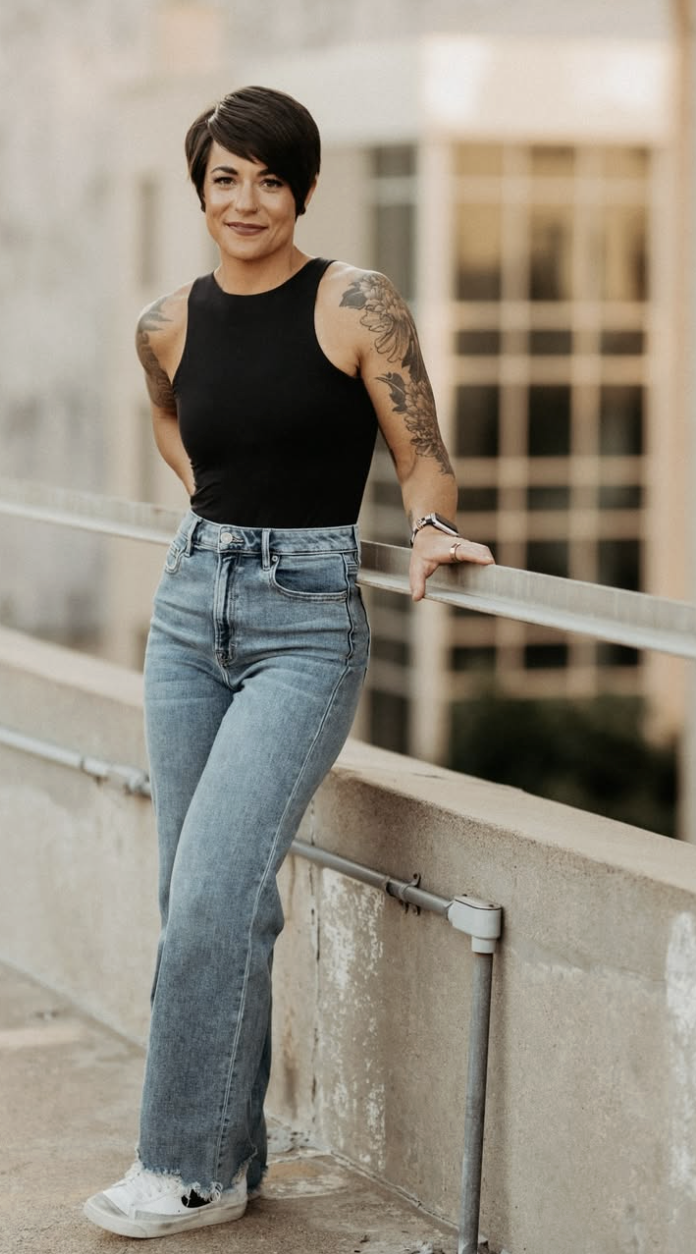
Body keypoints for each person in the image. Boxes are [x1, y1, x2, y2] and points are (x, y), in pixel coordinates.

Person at [83, 85, 494, 1240]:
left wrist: (428, 527)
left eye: (270, 177)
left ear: (302, 187)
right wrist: (217, 518)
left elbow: (426, 458)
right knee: (198, 899)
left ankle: (185, 1171)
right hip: (185, 610)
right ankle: (235, 1153)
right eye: (225, 178)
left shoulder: (355, 301)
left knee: (217, 891)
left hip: (306, 622)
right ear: (200, 189)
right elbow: (175, 426)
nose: (246, 200)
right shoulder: (165, 321)